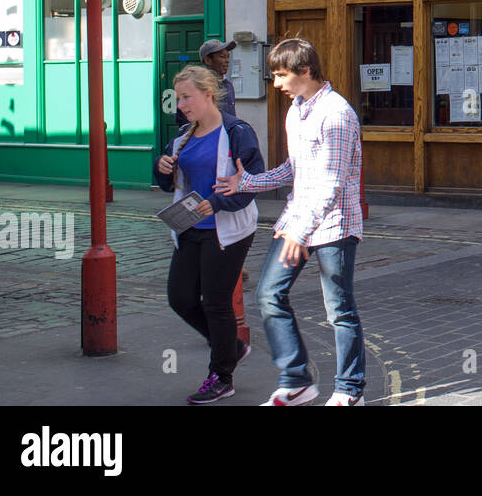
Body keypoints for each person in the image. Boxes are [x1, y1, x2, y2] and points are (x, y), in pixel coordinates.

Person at [215, 38, 366, 406]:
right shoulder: (296, 110)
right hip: (298, 219)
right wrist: (248, 182)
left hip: (335, 224)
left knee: (339, 309)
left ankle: (350, 391)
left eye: (282, 75)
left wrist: (301, 231)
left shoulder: (337, 113)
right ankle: (297, 380)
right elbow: (295, 170)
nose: (277, 84)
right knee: (268, 293)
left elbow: (331, 182)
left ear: (306, 71)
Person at [154, 64, 262, 404]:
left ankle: (222, 376)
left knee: (216, 302)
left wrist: (216, 203)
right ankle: (231, 346)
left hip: (227, 231)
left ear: (207, 94)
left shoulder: (238, 132)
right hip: (189, 228)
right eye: (178, 99)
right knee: (180, 298)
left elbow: (252, 183)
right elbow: (166, 184)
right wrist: (161, 168)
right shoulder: (183, 135)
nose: (181, 105)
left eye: (187, 97)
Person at [177, 39, 237, 130]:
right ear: (208, 60)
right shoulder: (198, 87)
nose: (227, 60)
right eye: (222, 57)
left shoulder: (228, 85)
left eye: (228, 57)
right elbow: (184, 119)